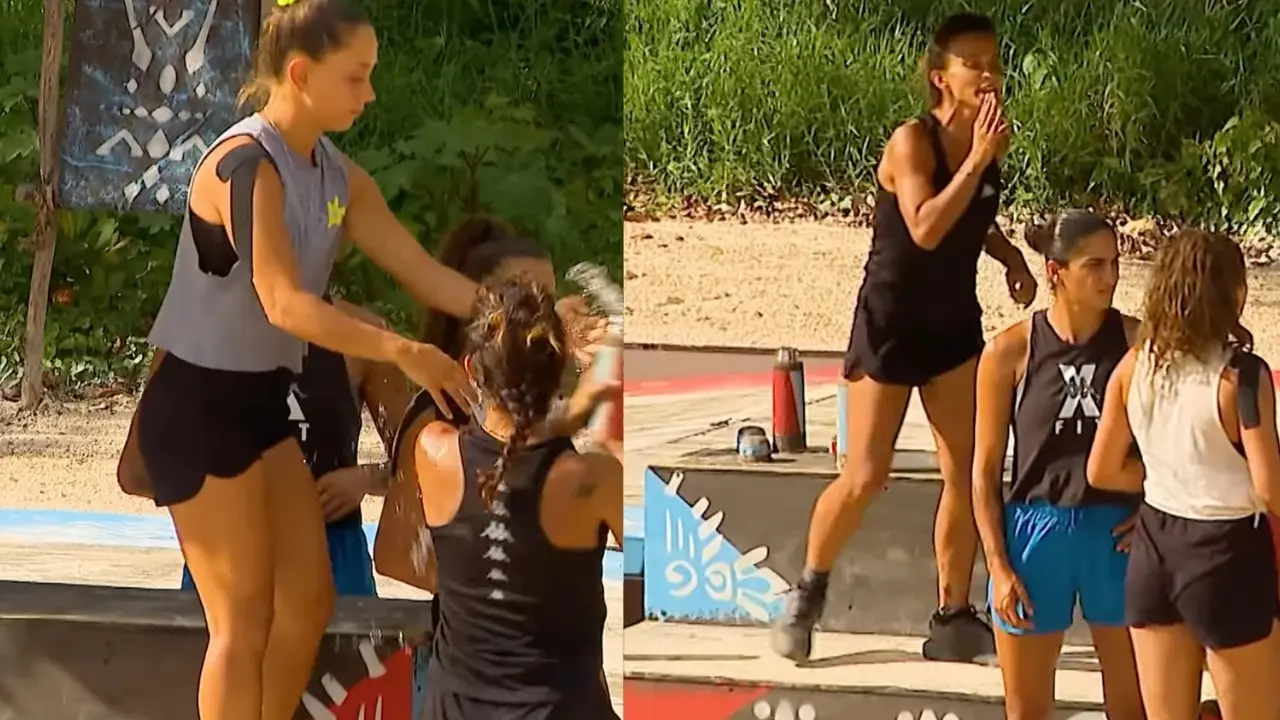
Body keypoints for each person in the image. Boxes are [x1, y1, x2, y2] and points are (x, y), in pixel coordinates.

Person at [127, 2, 595, 719]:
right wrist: (403, 350)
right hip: (195, 411)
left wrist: (535, 322)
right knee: (241, 623)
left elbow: (426, 275)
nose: (370, 93)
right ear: (300, 74)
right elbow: (284, 303)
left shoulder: (339, 178)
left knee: (308, 601)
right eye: (356, 76)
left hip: (260, 410)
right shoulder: (244, 166)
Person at [772, 11, 1037, 663]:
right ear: (941, 77)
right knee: (866, 474)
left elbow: (974, 215)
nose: (989, 75)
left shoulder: (986, 145)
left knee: (967, 473)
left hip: (952, 327)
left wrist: (1009, 256)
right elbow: (924, 225)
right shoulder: (912, 142)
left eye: (994, 63)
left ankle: (953, 614)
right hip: (889, 324)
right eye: (973, 64)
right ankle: (806, 593)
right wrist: (979, 158)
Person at [399, 275, 621, 719]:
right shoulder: (590, 479)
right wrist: (598, 403)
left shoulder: (432, 450)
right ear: (558, 370)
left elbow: (509, 448)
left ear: (471, 369)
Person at [1088, 229, 1280, 720]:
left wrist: (1167, 479)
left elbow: (1102, 468)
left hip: (1155, 546)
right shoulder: (1242, 376)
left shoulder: (1135, 364)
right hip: (1227, 552)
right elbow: (1270, 490)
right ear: (1230, 293)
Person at [373, 215, 619, 592]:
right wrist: (498, 602)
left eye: (547, 301)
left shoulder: (540, 406)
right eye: (521, 298)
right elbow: (396, 556)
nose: (539, 318)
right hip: (475, 629)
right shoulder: (437, 414)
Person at [972, 210, 1143, 720]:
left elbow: (1172, 444)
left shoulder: (1137, 341)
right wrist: (998, 565)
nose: (1110, 277)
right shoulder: (1009, 351)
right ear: (1055, 272)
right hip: (1035, 531)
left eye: (1114, 263)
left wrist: (1152, 511)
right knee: (1026, 711)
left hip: (1114, 530)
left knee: (1132, 709)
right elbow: (983, 472)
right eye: (1094, 265)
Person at [118, 299, 409, 598]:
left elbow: (414, 462)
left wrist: (365, 479)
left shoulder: (365, 337)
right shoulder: (192, 333)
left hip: (322, 553)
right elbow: (135, 473)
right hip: (237, 555)